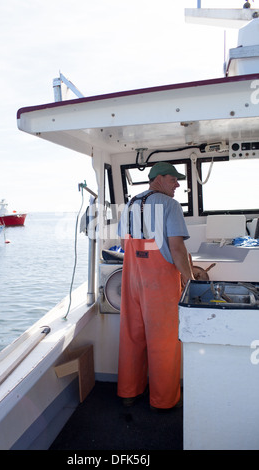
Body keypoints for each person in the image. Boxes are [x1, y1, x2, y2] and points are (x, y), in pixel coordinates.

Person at [117, 161, 194, 410]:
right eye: (174, 180)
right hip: (158, 284)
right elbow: (177, 249)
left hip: (131, 279)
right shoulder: (169, 205)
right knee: (163, 342)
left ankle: (129, 392)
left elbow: (123, 241)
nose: (178, 184)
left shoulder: (128, 205)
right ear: (159, 178)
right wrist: (190, 281)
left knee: (131, 336)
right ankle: (163, 401)